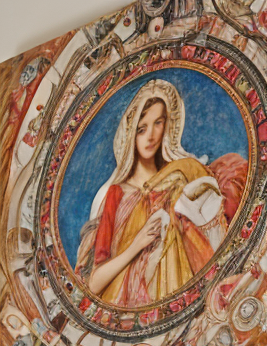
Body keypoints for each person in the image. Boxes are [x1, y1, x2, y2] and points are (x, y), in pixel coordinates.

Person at [77, 81, 247, 308]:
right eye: (142, 128)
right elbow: (94, 284)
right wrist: (136, 245)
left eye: (158, 123)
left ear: (168, 126)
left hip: (191, 297)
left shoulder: (184, 174)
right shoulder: (115, 194)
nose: (150, 136)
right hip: (137, 308)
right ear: (130, 133)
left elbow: (215, 243)